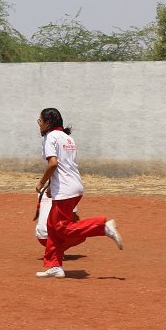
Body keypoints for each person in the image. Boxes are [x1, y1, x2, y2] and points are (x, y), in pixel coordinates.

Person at [35, 108, 124, 278]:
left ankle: (103, 226)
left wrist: (42, 182)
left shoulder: (50, 137)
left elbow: (53, 164)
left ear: (48, 123)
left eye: (40, 121)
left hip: (65, 189)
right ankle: (55, 266)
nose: (39, 125)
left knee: (62, 229)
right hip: (73, 187)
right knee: (53, 228)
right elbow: (64, 166)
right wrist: (52, 188)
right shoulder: (67, 138)